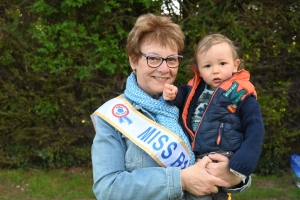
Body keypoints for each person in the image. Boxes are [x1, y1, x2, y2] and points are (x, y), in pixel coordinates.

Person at [91, 15, 251, 200]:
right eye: (153, 58)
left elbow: (230, 152)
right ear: (134, 61)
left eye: (171, 59)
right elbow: (107, 188)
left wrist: (234, 175)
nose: (164, 69)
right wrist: (180, 180)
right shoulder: (114, 116)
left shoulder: (192, 103)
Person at [163, 33, 265, 199]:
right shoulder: (194, 89)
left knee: (203, 193)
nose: (215, 70)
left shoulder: (241, 93)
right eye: (207, 66)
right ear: (198, 70)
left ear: (235, 65)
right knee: (202, 193)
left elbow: (255, 129)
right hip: (196, 155)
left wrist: (244, 160)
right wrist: (173, 95)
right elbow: (183, 98)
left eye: (222, 63)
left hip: (223, 155)